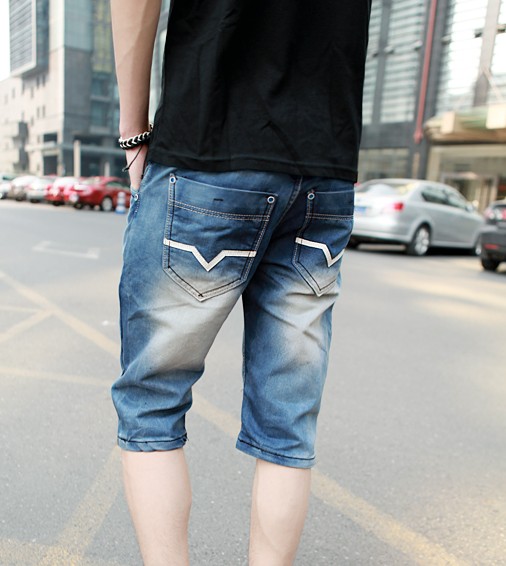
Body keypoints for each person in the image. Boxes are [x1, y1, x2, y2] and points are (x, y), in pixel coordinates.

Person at [110, 1, 371, 564]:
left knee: (153, 402)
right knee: (287, 421)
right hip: (325, 163)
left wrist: (134, 132)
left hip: (208, 142)